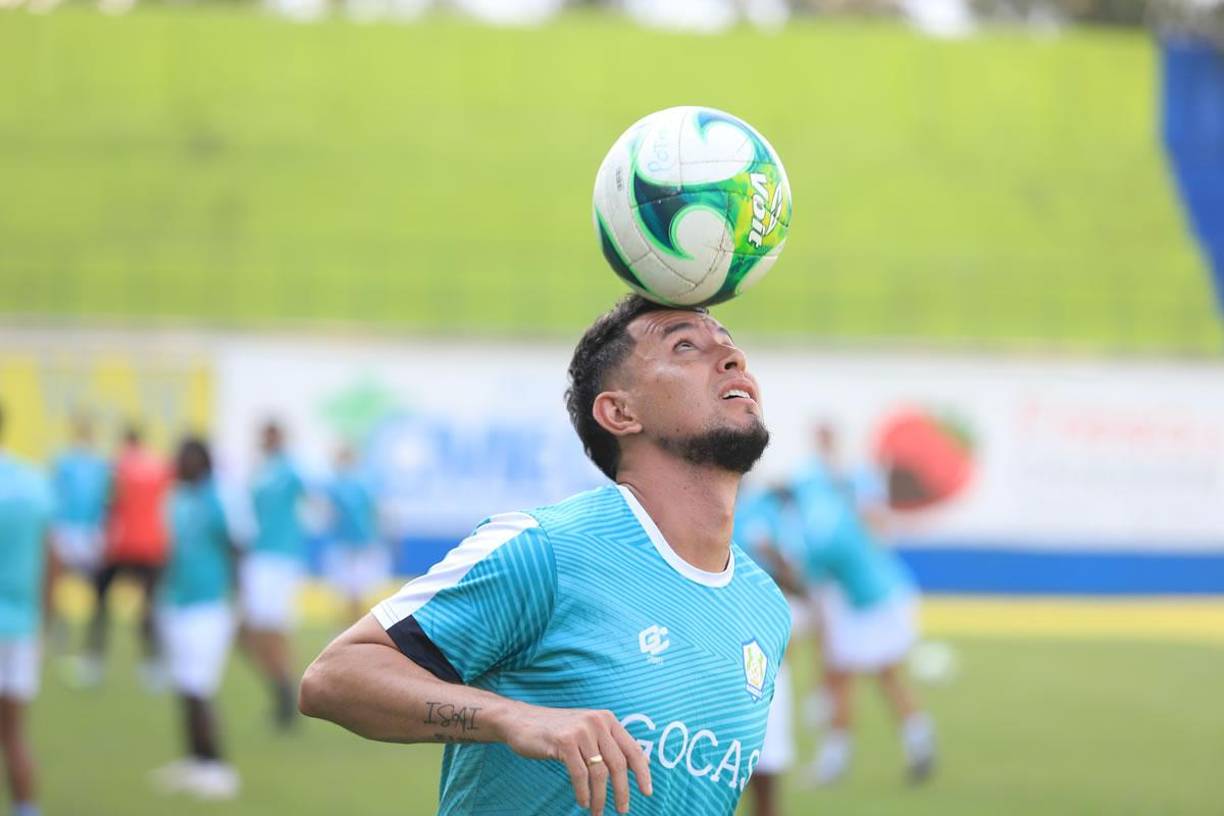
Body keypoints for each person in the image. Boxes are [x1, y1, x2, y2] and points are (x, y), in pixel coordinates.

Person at [299, 295, 792, 816]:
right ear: (620, 412)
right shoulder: (546, 550)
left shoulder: (765, 607)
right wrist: (512, 717)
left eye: (729, 344)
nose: (733, 358)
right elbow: (334, 677)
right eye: (685, 346)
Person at [791, 463, 936, 786]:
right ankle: (920, 743)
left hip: (870, 607)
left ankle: (834, 761)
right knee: (886, 677)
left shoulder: (821, 532)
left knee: (846, 680)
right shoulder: (841, 517)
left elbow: (809, 589)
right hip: (888, 598)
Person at [151, 437, 240, 800]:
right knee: (184, 686)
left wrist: (238, 598)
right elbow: (168, 550)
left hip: (208, 603)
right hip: (176, 600)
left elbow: (235, 548)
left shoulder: (218, 499)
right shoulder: (176, 499)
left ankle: (217, 766)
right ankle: (194, 760)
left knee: (200, 687)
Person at [83, 424, 170, 687]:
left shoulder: (117, 466)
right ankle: (153, 664)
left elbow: (109, 505)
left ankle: (94, 661)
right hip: (151, 545)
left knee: (101, 602)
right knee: (149, 606)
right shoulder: (158, 467)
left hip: (120, 546)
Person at [0, 404, 55, 816]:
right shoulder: (34, 482)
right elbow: (52, 558)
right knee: (14, 735)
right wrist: (44, 621)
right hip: (20, 626)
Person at [240, 421, 307, 729]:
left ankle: (288, 697)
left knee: (274, 629)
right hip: (258, 555)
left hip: (280, 557)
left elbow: (313, 494)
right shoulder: (260, 471)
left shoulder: (290, 470)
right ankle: (281, 688)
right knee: (250, 632)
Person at [48, 414, 111, 655]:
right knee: (59, 583)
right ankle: (61, 633)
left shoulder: (97, 465)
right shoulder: (66, 462)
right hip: (72, 529)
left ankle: (89, 641)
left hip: (85, 531)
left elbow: (103, 500)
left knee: (93, 587)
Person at [321, 446, 386, 624]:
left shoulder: (360, 484)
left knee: (356, 593)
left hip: (358, 547)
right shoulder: (341, 485)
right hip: (348, 545)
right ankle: (349, 626)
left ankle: (353, 627)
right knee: (348, 594)